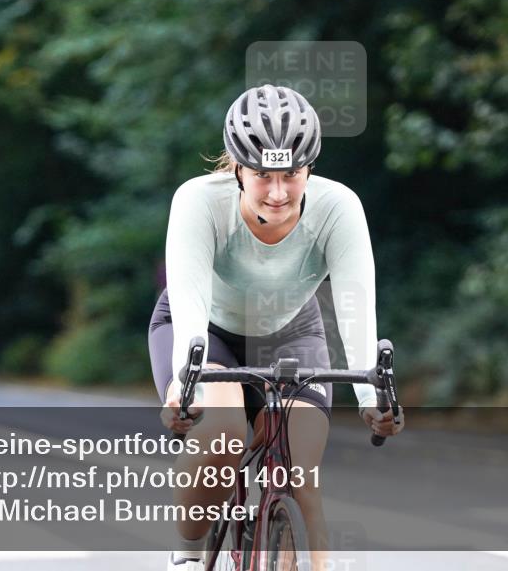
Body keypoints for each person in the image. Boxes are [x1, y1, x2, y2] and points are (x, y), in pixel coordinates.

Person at [149, 85, 404, 571]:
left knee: (301, 474)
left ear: (310, 167)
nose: (279, 192)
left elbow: (354, 305)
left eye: (292, 174)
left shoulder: (338, 207)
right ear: (237, 168)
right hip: (208, 331)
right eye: (263, 175)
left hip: (292, 331)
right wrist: (186, 387)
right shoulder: (198, 202)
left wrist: (372, 397)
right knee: (221, 436)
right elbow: (190, 300)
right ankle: (187, 554)